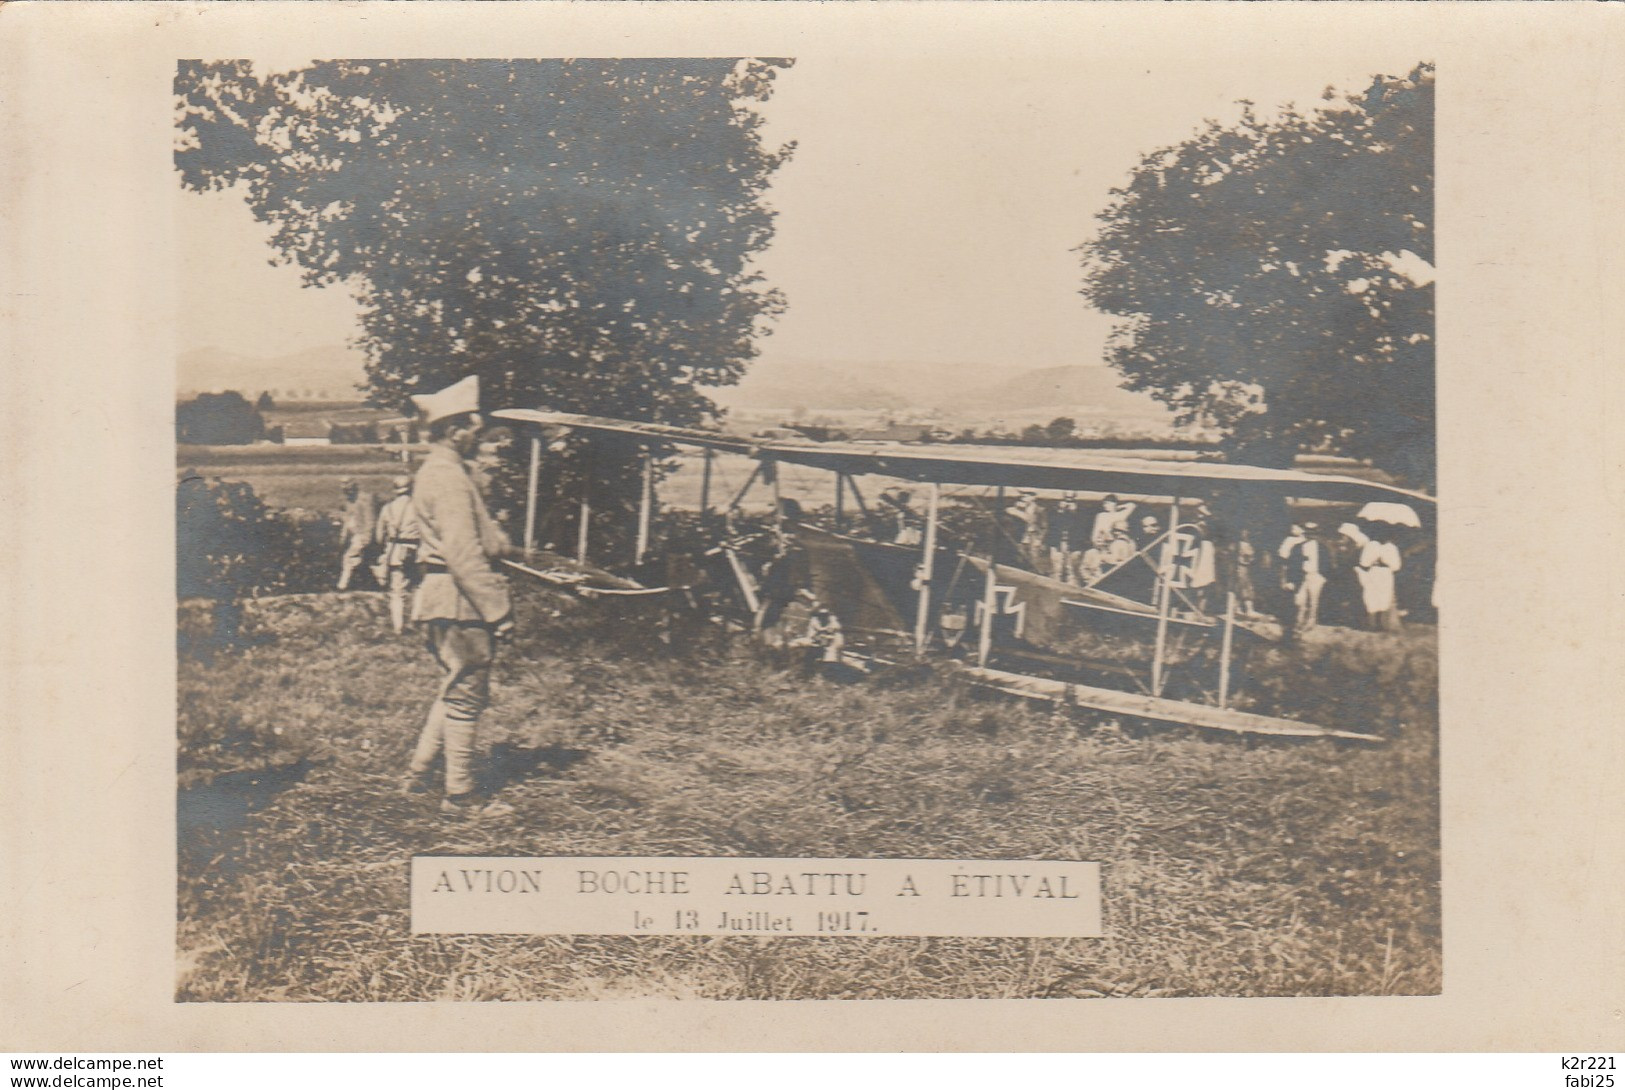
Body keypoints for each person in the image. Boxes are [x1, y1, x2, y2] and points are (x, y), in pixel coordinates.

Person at [399, 375, 519, 819]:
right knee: (467, 694)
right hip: (458, 598)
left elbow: (476, 540)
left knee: (454, 687)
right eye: (473, 427)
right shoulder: (447, 477)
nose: (478, 434)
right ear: (454, 431)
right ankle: (461, 797)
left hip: (444, 594)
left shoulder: (442, 472)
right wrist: (498, 610)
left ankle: (417, 776)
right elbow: (463, 552)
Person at [372, 475, 421, 635]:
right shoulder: (418, 507)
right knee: (419, 586)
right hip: (415, 552)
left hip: (395, 553)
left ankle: (398, 627)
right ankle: (416, 620)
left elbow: (379, 537)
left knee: (396, 592)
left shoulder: (387, 509)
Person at [1343, 521, 1405, 632]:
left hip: (1386, 574)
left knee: (1384, 597)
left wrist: (1384, 561)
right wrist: (1374, 560)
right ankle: (1372, 623)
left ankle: (1381, 623)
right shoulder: (1372, 545)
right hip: (1374, 572)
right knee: (1371, 596)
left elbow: (1396, 566)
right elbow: (1364, 563)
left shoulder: (1391, 547)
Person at [1278, 521, 1326, 634]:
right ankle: (1298, 623)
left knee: (1314, 601)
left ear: (1317, 534)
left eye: (1313, 533)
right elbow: (1292, 564)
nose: (1311, 535)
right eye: (1309, 533)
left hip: (1316, 576)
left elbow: (1327, 562)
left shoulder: (1322, 548)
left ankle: (1311, 622)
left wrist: (1323, 576)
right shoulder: (1298, 547)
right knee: (1300, 601)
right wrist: (1290, 579)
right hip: (1302, 576)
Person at [336, 478, 377, 590]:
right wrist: (343, 537)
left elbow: (370, 520)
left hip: (362, 536)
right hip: (355, 536)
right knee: (360, 561)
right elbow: (348, 520)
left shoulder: (364, 499)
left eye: (348, 489)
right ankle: (377, 583)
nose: (347, 493)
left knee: (349, 558)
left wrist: (366, 537)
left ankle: (342, 586)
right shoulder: (349, 501)